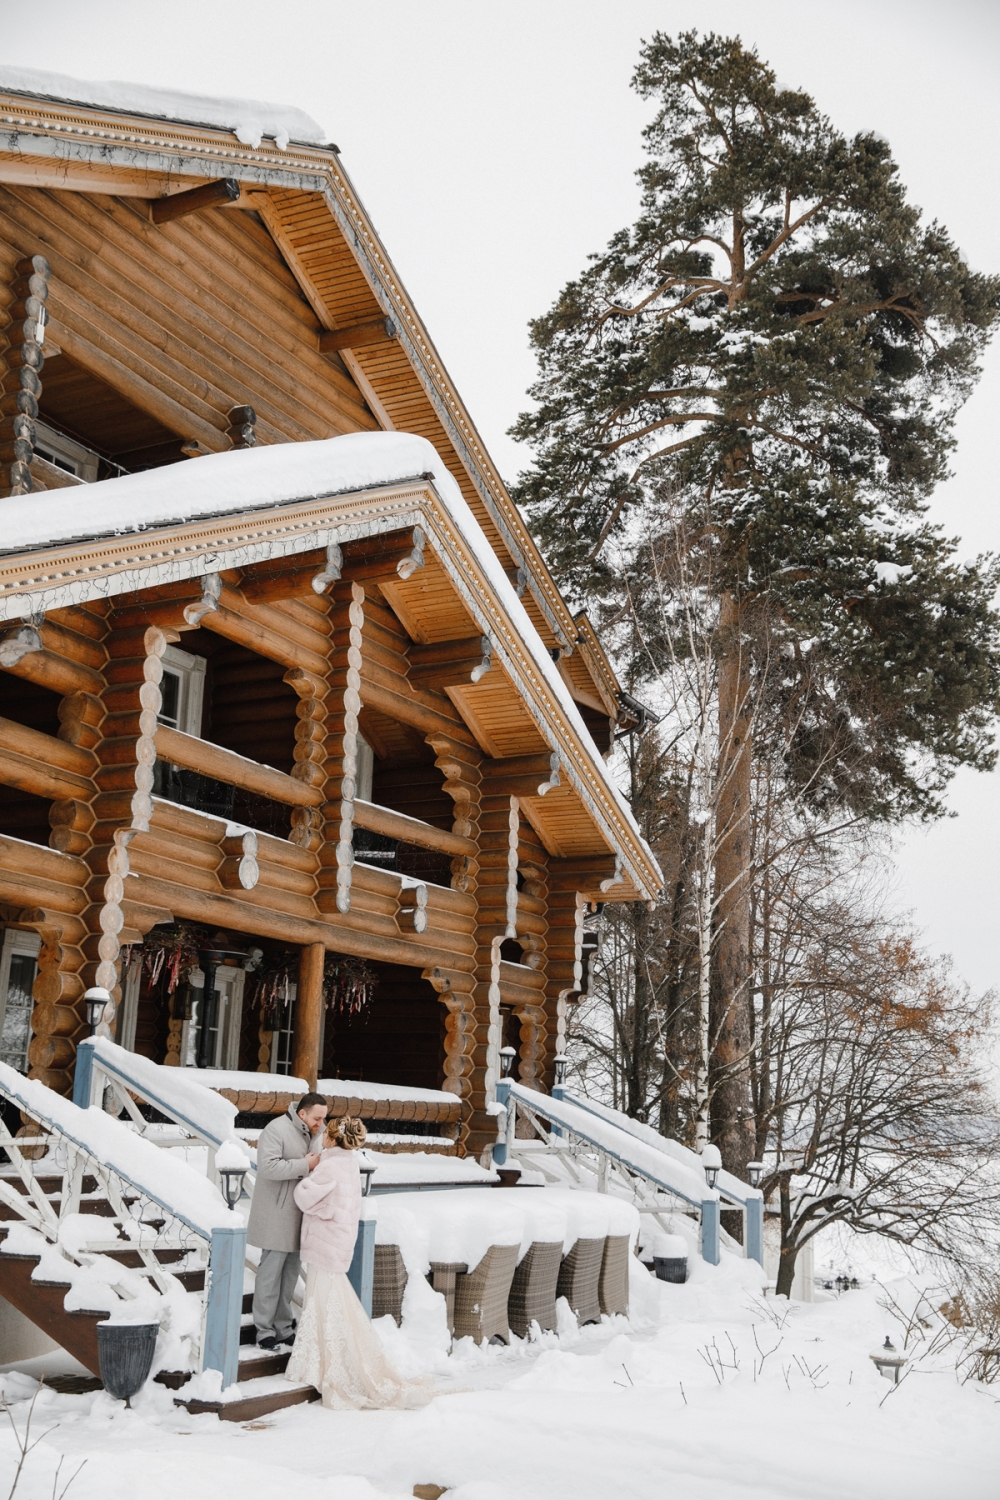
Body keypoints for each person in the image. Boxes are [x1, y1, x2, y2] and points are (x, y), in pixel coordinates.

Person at [285, 1115, 432, 1410]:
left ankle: (329, 1366)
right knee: (328, 1303)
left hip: (324, 1243)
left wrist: (308, 1168)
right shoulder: (349, 1163)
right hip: (336, 1242)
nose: (323, 1135)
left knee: (323, 1303)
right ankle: (324, 1362)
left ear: (333, 1138)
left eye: (327, 1132)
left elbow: (304, 1197)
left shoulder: (329, 1165)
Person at [247, 1091, 327, 1350]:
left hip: (303, 1214)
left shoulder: (318, 1132)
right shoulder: (275, 1129)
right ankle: (263, 1331)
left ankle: (283, 1327)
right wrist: (304, 1164)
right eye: (317, 1118)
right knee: (270, 1275)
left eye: (323, 1118)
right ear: (302, 1113)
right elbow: (268, 1167)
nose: (321, 1123)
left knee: (290, 1274)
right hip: (276, 1213)